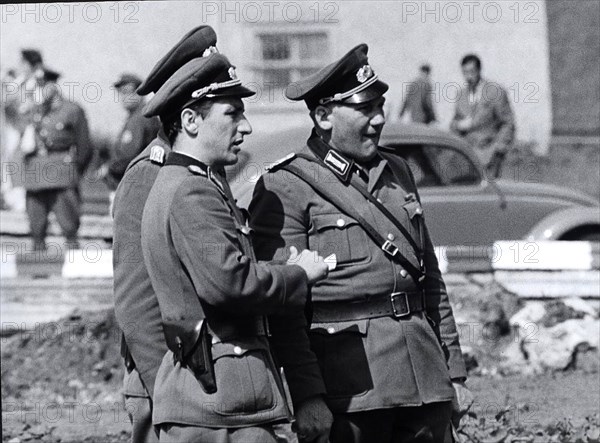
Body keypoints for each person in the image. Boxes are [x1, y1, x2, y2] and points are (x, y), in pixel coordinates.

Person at [249, 44, 473, 443]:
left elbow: (430, 279)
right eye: (365, 109)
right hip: (350, 389)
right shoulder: (287, 185)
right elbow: (285, 309)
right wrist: (307, 395)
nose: (379, 120)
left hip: (424, 377)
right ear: (323, 116)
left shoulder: (398, 170)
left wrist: (453, 371)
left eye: (380, 106)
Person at [139, 51, 330, 442]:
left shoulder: (188, 183)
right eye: (232, 114)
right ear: (190, 120)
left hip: (216, 401)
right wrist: (298, 275)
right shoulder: (191, 190)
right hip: (219, 406)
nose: (245, 128)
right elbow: (230, 284)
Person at [111, 26, 221, 443]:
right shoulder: (149, 175)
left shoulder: (203, 169)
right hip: (165, 379)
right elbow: (136, 300)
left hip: (202, 375)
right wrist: (169, 390)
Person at [20, 67, 91, 250]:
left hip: (61, 174)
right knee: (36, 226)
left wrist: (74, 170)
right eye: (37, 85)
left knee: (69, 225)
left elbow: (84, 146)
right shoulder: (33, 111)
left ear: (53, 85)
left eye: (43, 85)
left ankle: (75, 265)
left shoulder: (72, 110)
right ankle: (38, 269)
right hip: (35, 175)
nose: (40, 90)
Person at [450, 54, 515, 177]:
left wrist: (498, 150)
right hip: (467, 157)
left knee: (489, 194)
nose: (468, 77)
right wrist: (458, 125)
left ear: (479, 70)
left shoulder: (495, 91)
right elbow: (453, 124)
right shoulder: (461, 95)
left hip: (489, 154)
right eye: (465, 72)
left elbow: (508, 123)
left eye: (471, 72)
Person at [99, 73, 160, 191]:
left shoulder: (140, 118)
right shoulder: (138, 115)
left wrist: (109, 168)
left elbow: (128, 154)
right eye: (121, 92)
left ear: (140, 93)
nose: (124, 96)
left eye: (128, 91)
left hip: (138, 182)